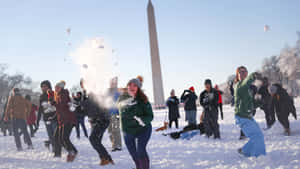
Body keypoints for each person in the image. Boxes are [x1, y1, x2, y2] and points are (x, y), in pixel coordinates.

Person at [117, 78, 153, 169]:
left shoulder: (143, 100)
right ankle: (138, 166)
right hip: (128, 130)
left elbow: (150, 115)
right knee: (133, 152)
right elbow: (118, 108)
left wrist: (142, 120)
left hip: (143, 129)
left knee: (141, 150)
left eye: (135, 85)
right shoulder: (122, 98)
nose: (132, 87)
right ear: (127, 87)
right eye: (130, 85)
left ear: (138, 88)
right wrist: (126, 104)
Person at [234, 66, 266, 157]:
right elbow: (245, 83)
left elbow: (250, 104)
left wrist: (260, 102)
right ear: (237, 75)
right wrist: (253, 75)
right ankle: (260, 157)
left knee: (259, 135)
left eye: (245, 71)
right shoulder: (238, 86)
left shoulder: (248, 88)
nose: (243, 73)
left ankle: (245, 151)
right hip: (242, 117)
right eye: (240, 72)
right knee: (257, 137)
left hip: (248, 116)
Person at [80, 78, 114, 166]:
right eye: (82, 84)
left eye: (84, 83)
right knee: (97, 141)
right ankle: (104, 159)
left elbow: (94, 105)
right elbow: (85, 110)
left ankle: (107, 158)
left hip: (102, 119)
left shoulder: (94, 92)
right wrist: (78, 108)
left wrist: (82, 104)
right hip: (94, 120)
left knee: (93, 139)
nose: (83, 86)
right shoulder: (85, 94)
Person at [53, 81, 78, 162]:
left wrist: (54, 104)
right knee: (61, 139)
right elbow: (59, 110)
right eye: (55, 88)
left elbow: (62, 106)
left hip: (68, 119)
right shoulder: (59, 95)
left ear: (60, 88)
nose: (55, 89)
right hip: (62, 120)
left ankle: (72, 152)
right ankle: (73, 151)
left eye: (56, 88)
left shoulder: (63, 95)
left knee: (64, 138)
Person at [37, 80, 57, 150]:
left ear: (49, 86)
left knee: (55, 134)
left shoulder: (54, 94)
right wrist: (37, 120)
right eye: (42, 86)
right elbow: (40, 109)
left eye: (45, 86)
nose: (43, 88)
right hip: (46, 118)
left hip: (54, 117)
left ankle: (57, 148)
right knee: (50, 135)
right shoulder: (41, 96)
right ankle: (54, 148)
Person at [107, 77, 122, 152]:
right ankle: (113, 143)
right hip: (107, 114)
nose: (114, 84)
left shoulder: (118, 92)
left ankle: (118, 145)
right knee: (110, 130)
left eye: (115, 82)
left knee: (116, 129)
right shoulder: (107, 92)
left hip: (116, 113)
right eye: (112, 82)